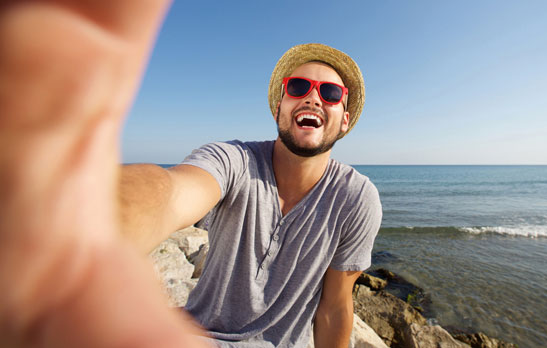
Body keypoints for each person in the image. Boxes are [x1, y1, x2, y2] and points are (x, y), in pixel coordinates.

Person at [0, 1, 380, 348]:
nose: (314, 97)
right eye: (298, 87)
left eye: (330, 93)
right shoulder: (234, 159)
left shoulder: (357, 198)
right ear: (280, 106)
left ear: (344, 119)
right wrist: (81, 233)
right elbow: (172, 192)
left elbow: (334, 307)